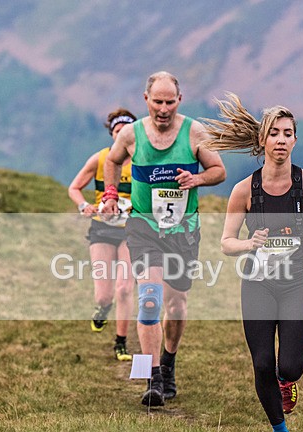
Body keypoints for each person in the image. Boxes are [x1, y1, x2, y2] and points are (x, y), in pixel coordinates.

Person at [203, 93, 303, 432]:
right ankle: (279, 429)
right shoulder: (243, 190)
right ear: (262, 139)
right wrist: (248, 245)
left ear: (295, 139)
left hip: (297, 284)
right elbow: (226, 242)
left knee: (290, 367)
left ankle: (286, 383)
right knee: (262, 362)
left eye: (288, 133)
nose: (281, 140)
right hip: (258, 285)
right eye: (275, 133)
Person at [102, 71, 226, 407]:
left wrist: (197, 179)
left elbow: (219, 170)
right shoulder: (132, 133)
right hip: (144, 227)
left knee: (176, 303)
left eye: (170, 102)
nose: (163, 108)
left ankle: (168, 362)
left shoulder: (194, 131)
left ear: (179, 101)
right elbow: (112, 161)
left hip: (183, 231)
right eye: (157, 101)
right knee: (151, 298)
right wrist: (110, 194)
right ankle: (153, 378)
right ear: (146, 100)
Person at [68, 108, 138, 361]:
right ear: (112, 134)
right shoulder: (100, 159)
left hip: (133, 231)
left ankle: (121, 343)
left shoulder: (143, 159)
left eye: (127, 132)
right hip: (102, 228)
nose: (123, 136)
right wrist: (83, 206)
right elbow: (74, 188)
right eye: (118, 132)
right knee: (105, 294)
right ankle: (103, 308)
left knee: (124, 288)